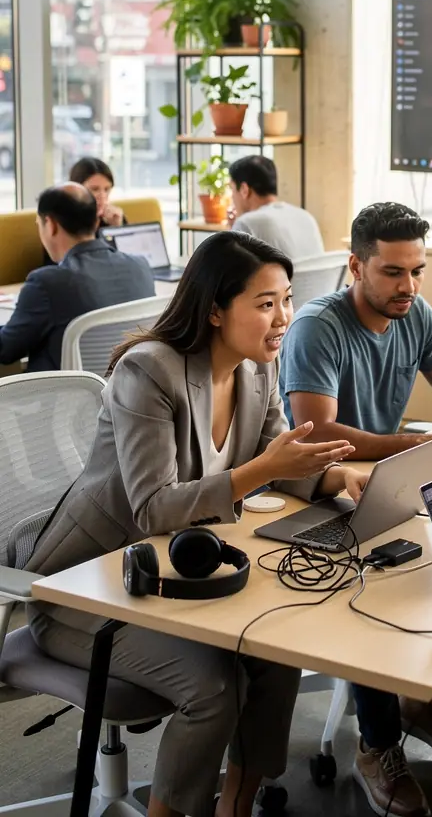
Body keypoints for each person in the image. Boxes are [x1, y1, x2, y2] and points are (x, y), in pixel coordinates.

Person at [27, 230, 367, 817]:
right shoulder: (149, 371)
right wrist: (263, 468)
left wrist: (340, 479)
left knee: (275, 650)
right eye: (265, 304)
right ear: (214, 309)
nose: (283, 317)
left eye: (286, 299)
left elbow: (277, 464)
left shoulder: (256, 368)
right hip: (84, 585)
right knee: (214, 687)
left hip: (171, 575)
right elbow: (155, 507)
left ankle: (234, 806)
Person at [281, 201, 432, 817]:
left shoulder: (416, 314)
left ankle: (420, 701)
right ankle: (377, 745)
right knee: (372, 593)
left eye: (418, 271)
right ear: (356, 266)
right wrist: (423, 443)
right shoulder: (318, 328)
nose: (409, 286)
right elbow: (317, 434)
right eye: (394, 272)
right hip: (316, 484)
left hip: (386, 478)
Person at [0, 183, 155, 373]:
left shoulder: (46, 283)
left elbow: (6, 350)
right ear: (96, 222)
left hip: (60, 399)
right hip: (123, 397)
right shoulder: (140, 267)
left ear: (51, 225)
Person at [229, 155, 323, 260]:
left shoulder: (247, 223)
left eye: (232, 190)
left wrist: (235, 230)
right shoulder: (305, 217)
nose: (232, 197)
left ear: (244, 190)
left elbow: (226, 272)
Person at [69, 156, 126, 229]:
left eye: (106, 189)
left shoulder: (114, 217)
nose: (102, 196)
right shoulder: (65, 221)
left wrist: (117, 228)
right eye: (95, 189)